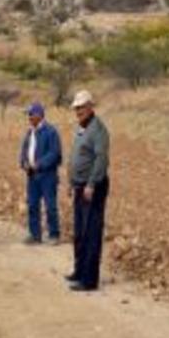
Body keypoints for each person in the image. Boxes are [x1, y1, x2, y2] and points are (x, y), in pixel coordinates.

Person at [65, 90, 110, 292]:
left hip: (93, 187)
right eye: (76, 108)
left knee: (91, 232)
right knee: (79, 232)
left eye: (82, 107)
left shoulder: (98, 129)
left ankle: (89, 280)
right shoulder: (82, 128)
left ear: (91, 107)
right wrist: (70, 181)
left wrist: (91, 184)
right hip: (79, 186)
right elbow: (75, 156)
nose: (78, 111)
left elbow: (101, 159)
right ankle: (79, 270)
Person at [19, 102, 62, 245]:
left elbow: (55, 153)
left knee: (50, 205)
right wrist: (23, 162)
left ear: (39, 115)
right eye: (28, 115)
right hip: (32, 175)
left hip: (47, 175)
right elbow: (24, 150)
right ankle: (35, 234)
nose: (29, 117)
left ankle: (54, 234)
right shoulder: (29, 132)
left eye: (31, 114)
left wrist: (40, 164)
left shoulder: (51, 132)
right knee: (32, 205)